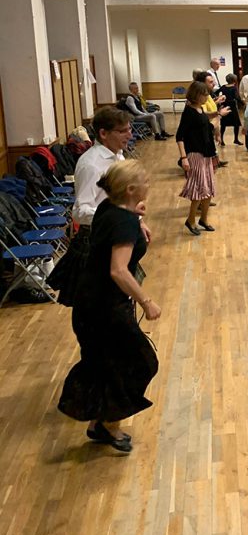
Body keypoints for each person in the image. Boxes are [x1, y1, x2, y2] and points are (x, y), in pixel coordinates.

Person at [57, 160, 160, 454]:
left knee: (107, 362)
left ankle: (100, 425)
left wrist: (137, 218)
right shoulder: (122, 221)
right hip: (104, 306)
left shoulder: (111, 209)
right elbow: (118, 270)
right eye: (145, 182)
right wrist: (146, 301)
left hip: (91, 302)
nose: (148, 186)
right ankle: (107, 424)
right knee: (140, 362)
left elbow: (116, 226)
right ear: (131, 189)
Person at [49, 107, 135, 306]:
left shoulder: (118, 156)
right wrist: (117, 217)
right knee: (105, 306)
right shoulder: (91, 164)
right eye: (122, 131)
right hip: (98, 241)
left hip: (118, 235)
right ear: (103, 134)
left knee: (123, 301)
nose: (129, 134)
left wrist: (136, 220)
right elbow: (80, 211)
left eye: (129, 129)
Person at [176, 80, 218, 235]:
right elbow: (179, 136)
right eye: (204, 93)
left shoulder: (200, 110)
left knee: (208, 189)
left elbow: (206, 129)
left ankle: (204, 219)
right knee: (199, 190)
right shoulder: (189, 112)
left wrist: (218, 117)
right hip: (195, 154)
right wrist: (184, 157)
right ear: (196, 95)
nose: (207, 96)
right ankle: (191, 220)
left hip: (206, 153)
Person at [219, 73, 243, 145]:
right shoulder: (234, 88)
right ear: (234, 80)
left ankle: (222, 140)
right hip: (232, 107)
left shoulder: (223, 87)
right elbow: (237, 97)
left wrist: (219, 99)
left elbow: (216, 92)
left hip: (224, 106)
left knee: (223, 124)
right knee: (236, 124)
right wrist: (242, 103)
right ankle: (236, 139)